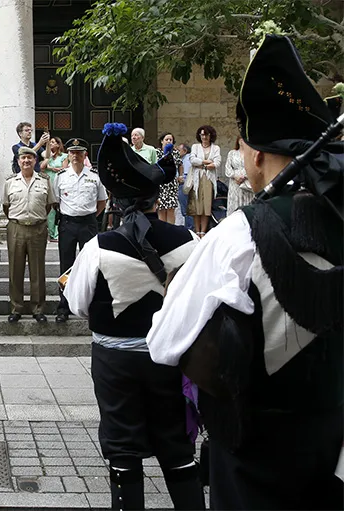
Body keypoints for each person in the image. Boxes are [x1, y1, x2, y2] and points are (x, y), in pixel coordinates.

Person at [147, 35, 343, 511]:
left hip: (253, 458)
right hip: (333, 447)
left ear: (254, 156)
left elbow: (164, 341)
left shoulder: (238, 234)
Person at [64, 122, 204, 511]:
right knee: (177, 447)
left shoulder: (98, 246)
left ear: (115, 198)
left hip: (115, 363)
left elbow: (77, 304)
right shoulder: (190, 241)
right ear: (156, 197)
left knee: (123, 450)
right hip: (170, 360)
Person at [53, 143, 107, 323]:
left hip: (88, 224)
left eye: (79, 153)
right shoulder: (60, 176)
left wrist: (89, 217)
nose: (75, 156)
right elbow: (55, 202)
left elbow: (102, 202)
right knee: (66, 264)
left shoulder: (94, 176)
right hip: (67, 224)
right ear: (68, 155)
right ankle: (64, 306)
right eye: (72, 153)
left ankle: (90, 304)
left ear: (85, 155)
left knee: (90, 266)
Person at [2, 146, 56, 323]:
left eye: (29, 158)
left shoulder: (44, 180)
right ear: (18, 162)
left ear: (35, 161)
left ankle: (38, 308)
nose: (26, 161)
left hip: (38, 228)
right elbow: (6, 206)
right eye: (23, 158)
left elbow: (49, 205)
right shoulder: (10, 182)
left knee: (37, 270)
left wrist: (36, 218)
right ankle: (16, 308)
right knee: (15, 270)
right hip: (16, 228)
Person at [186, 125, 221, 237]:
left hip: (208, 178)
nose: (204, 137)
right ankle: (197, 231)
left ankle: (203, 231)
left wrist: (206, 164)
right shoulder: (195, 147)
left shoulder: (215, 148)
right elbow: (192, 160)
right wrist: (206, 162)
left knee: (206, 205)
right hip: (196, 178)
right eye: (202, 135)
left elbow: (217, 162)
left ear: (211, 135)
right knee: (196, 205)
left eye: (206, 135)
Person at [41, 136, 68, 241]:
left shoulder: (64, 156)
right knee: (50, 209)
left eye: (53, 142)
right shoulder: (47, 156)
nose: (51, 144)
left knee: (59, 208)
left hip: (59, 183)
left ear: (58, 144)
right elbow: (42, 167)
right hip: (49, 182)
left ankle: (58, 233)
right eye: (50, 142)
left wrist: (51, 168)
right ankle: (51, 232)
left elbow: (64, 169)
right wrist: (48, 158)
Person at [224, 135, 254, 212]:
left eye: (243, 139)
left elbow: (254, 167)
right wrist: (235, 176)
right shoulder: (232, 153)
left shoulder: (251, 154)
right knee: (234, 204)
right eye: (240, 139)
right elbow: (227, 168)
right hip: (235, 183)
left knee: (247, 203)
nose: (241, 141)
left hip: (247, 182)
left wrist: (244, 176)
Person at [156, 133, 180, 224]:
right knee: (161, 209)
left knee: (171, 209)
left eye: (171, 140)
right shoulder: (156, 152)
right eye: (166, 139)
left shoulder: (175, 153)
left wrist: (180, 176)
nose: (169, 141)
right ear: (162, 141)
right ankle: (162, 229)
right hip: (160, 183)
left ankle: (171, 228)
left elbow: (180, 164)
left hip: (172, 184)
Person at [177, 143, 194, 230]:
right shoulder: (183, 159)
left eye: (179, 150)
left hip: (184, 186)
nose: (177, 152)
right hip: (186, 186)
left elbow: (185, 175)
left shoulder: (187, 159)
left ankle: (190, 228)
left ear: (185, 151)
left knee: (186, 209)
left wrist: (180, 178)